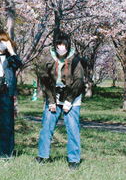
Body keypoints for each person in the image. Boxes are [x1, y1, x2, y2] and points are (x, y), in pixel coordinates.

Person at [35, 32, 87, 168]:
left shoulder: (75, 61)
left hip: (72, 96)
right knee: (47, 126)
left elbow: (79, 82)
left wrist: (69, 101)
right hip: (54, 95)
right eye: (59, 44)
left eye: (64, 45)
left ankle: (74, 159)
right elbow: (45, 80)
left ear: (68, 46)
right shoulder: (48, 59)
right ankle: (43, 155)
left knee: (72, 128)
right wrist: (51, 101)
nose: (61, 48)